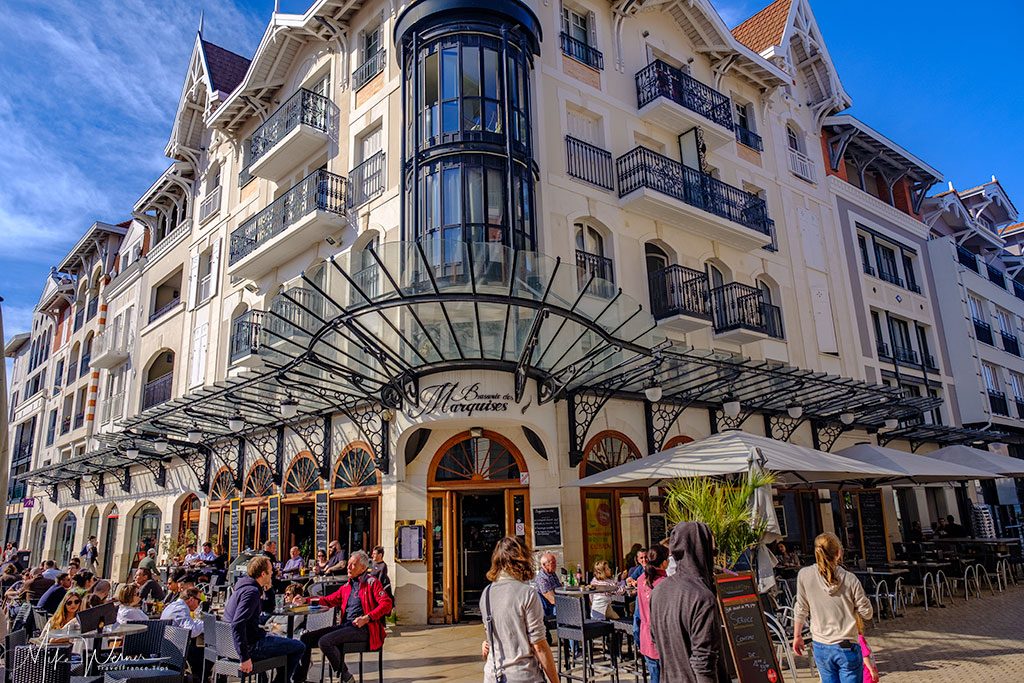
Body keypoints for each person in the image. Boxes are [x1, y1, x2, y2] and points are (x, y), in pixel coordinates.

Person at [293, 551, 392, 683]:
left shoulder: (372, 583)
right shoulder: (347, 586)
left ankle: (346, 677)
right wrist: (306, 600)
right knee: (305, 638)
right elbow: (328, 600)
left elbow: (387, 604)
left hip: (365, 629)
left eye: (353, 565)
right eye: (349, 564)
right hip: (347, 627)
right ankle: (299, 679)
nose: (348, 567)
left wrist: (367, 618)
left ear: (363, 568)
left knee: (325, 641)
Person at [649, 521, 730, 683]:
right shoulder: (702, 597)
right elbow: (704, 664)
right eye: (712, 551)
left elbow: (656, 642)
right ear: (703, 552)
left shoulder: (658, 592)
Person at [793, 532, 873, 683]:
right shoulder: (850, 580)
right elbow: (867, 613)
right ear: (839, 553)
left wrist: (797, 636)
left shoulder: (804, 575)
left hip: (820, 645)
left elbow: (801, 608)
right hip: (846, 644)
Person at [478, 536, 558, 683]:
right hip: (523, 675)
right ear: (522, 559)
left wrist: (486, 645)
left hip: (493, 675)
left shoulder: (486, 593)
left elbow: (490, 638)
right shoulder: (527, 593)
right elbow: (539, 645)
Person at [223, 555, 305, 681]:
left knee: (283, 642)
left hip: (231, 645)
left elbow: (267, 608)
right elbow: (237, 624)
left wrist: (269, 589)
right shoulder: (251, 592)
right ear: (263, 573)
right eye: (271, 570)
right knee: (298, 647)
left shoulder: (244, 587)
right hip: (251, 646)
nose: (273, 573)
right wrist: (244, 657)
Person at [637, 544, 670, 683]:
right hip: (662, 639)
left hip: (646, 637)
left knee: (654, 676)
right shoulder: (665, 583)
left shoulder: (641, 580)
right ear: (663, 562)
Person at [161, 587, 207, 681]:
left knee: (199, 651)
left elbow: (188, 625)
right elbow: (192, 631)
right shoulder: (181, 609)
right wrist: (206, 624)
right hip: (174, 649)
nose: (199, 605)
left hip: (169, 644)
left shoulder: (174, 605)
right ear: (191, 599)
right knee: (207, 655)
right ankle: (199, 679)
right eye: (199, 601)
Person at [535, 552, 561, 619]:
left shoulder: (551, 573)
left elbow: (559, 588)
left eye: (555, 562)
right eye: (553, 563)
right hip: (551, 608)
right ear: (544, 565)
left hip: (559, 601)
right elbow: (552, 600)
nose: (555, 565)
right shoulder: (542, 579)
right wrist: (569, 602)